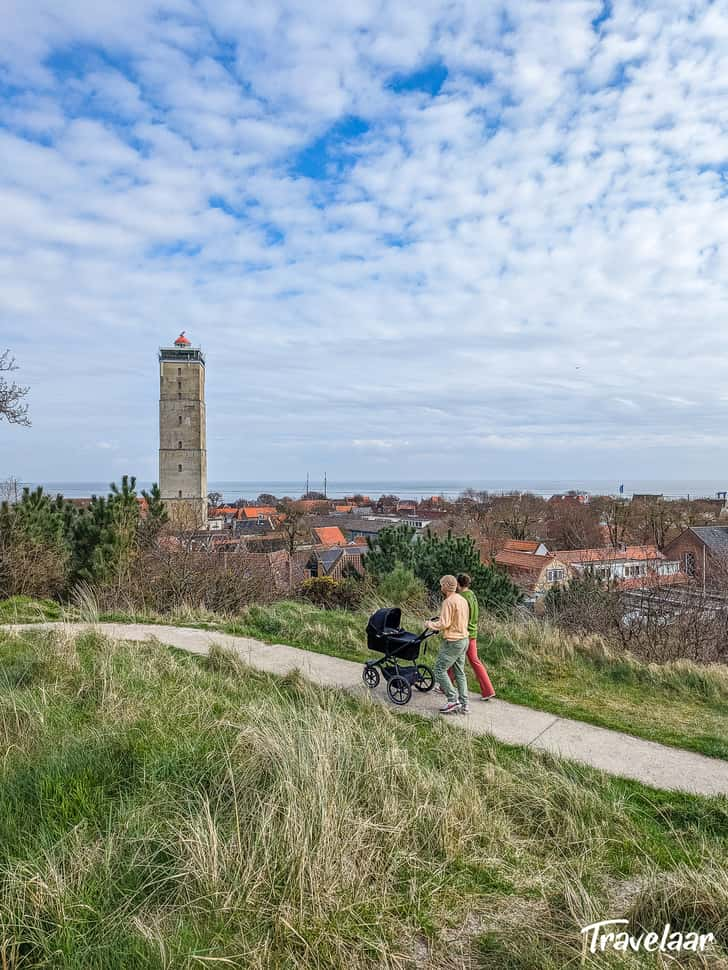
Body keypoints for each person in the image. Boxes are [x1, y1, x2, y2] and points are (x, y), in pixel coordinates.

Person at [426, 575, 470, 714]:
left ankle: (452, 700)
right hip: (464, 640)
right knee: (459, 672)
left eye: (441, 584)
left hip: (453, 641)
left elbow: (444, 624)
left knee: (439, 670)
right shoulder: (462, 600)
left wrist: (430, 624)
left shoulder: (448, 602)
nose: (440, 587)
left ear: (446, 586)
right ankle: (464, 703)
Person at [454, 573, 495, 700]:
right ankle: (488, 690)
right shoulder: (472, 594)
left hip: (463, 633)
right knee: (474, 661)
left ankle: (444, 687)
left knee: (452, 658)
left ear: (458, 584)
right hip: (473, 632)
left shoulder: (461, 598)